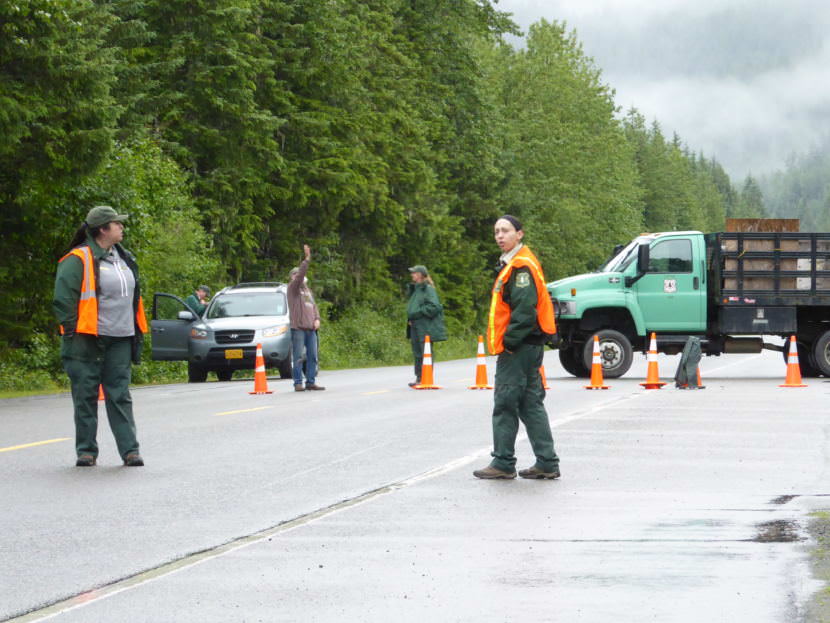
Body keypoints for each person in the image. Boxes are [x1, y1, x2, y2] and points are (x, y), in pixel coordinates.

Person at [53, 205, 148, 467]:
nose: (122, 227)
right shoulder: (78, 258)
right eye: (117, 224)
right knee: (85, 395)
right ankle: (86, 451)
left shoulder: (125, 257)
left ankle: (131, 451)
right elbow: (63, 300)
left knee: (119, 394)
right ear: (102, 229)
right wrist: (73, 332)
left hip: (121, 337)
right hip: (86, 340)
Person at [473, 215, 561, 480]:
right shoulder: (516, 263)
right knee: (530, 403)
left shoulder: (520, 266)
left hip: (519, 348)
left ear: (519, 234)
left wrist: (510, 342)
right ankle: (547, 462)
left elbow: (524, 310)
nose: (500, 236)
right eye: (497, 231)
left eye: (506, 231)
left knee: (505, 402)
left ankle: (502, 462)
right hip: (529, 346)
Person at [287, 244, 324, 392]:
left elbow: (314, 306)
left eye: (299, 275)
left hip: (311, 329)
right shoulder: (293, 289)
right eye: (296, 275)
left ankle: (310, 381)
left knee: (312, 356)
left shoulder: (307, 291)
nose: (299, 277)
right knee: (298, 356)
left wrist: (317, 319)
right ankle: (297, 382)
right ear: (292, 277)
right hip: (298, 328)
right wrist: (306, 260)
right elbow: (300, 275)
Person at [405, 265, 447, 387]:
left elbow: (435, 307)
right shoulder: (416, 289)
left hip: (425, 325)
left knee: (425, 352)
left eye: (414, 273)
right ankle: (419, 378)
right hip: (414, 324)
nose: (412, 275)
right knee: (417, 352)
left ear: (420, 275)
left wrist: (418, 313)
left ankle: (426, 377)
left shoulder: (428, 289)